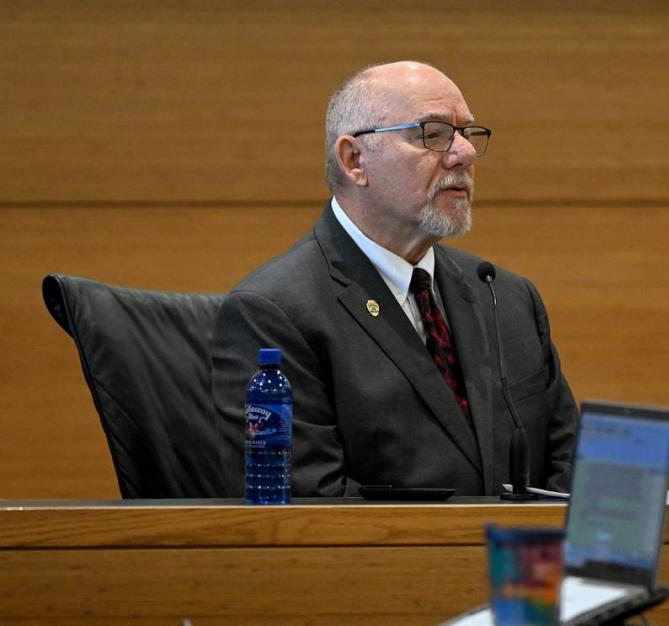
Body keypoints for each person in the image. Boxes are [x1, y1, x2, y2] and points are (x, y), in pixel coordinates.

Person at [211, 61, 578, 497]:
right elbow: (311, 504)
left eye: (466, 133)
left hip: (522, 562)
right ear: (354, 160)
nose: (463, 153)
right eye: (433, 133)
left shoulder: (506, 297)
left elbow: (568, 464)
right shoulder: (273, 313)